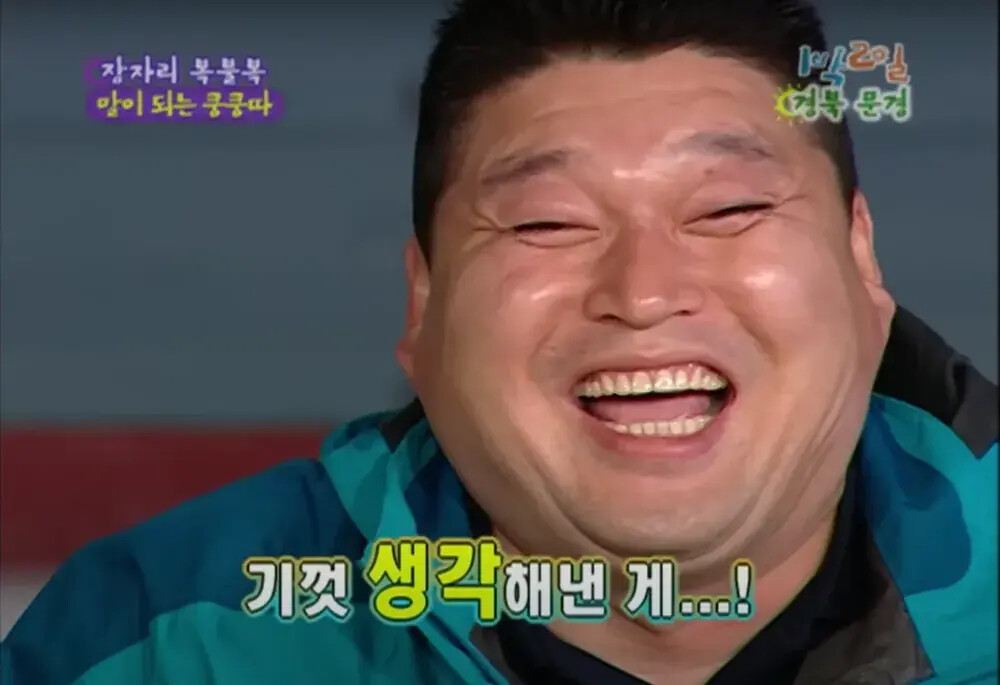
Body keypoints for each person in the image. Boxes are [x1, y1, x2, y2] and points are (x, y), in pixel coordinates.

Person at [3, 1, 997, 683]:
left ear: (862, 262)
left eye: (728, 209)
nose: (644, 292)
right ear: (423, 304)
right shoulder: (165, 639)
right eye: (546, 223)